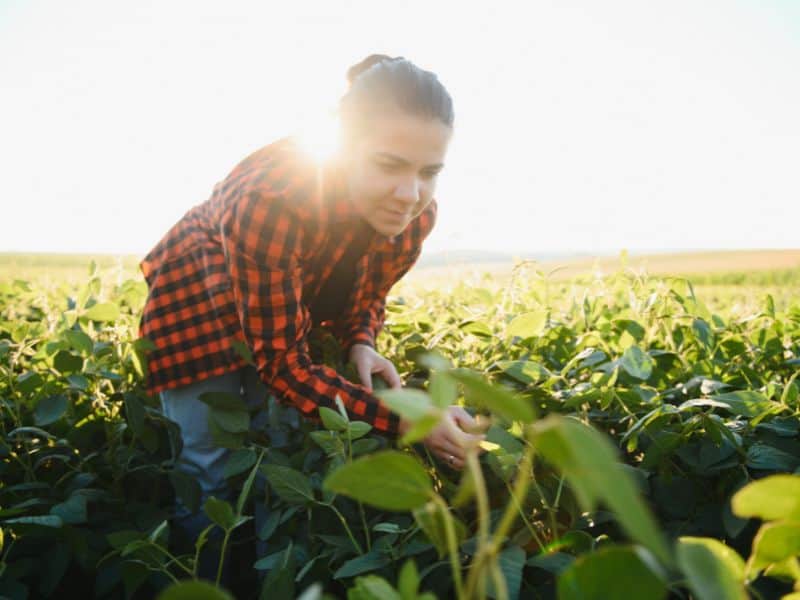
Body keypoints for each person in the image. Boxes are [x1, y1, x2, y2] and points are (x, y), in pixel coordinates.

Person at [137, 54, 485, 578]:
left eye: (428, 172)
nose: (410, 194)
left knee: (267, 445)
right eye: (390, 165)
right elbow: (282, 363)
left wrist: (361, 340)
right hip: (196, 302)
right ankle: (210, 580)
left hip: (272, 303)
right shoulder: (273, 199)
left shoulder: (413, 215)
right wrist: (409, 421)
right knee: (207, 460)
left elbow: (368, 290)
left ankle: (261, 571)